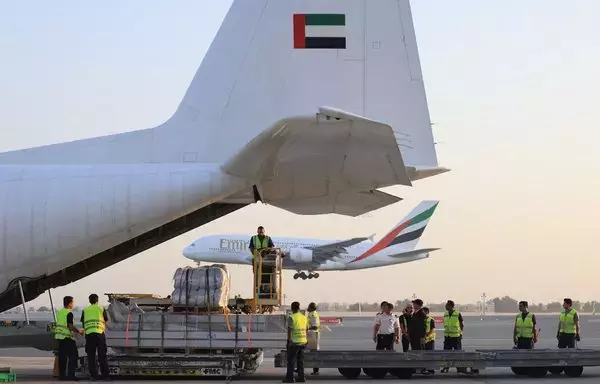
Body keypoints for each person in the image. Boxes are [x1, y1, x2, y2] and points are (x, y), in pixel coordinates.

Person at [81, 294, 110, 380]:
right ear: (97, 300)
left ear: (89, 301)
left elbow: (83, 323)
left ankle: (93, 375)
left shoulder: (85, 310)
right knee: (102, 356)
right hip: (100, 334)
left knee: (91, 356)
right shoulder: (101, 308)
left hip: (89, 335)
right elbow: (106, 320)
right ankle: (105, 376)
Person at [55, 295, 83, 381]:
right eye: (73, 302)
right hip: (67, 337)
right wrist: (79, 331)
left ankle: (62, 376)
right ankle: (71, 375)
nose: (73, 304)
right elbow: (70, 326)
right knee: (73, 356)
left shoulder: (60, 312)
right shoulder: (69, 313)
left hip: (59, 337)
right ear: (70, 303)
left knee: (62, 358)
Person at [284, 301, 308, 383]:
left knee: (291, 361)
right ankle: (301, 378)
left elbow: (289, 330)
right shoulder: (304, 317)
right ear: (299, 308)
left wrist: (288, 341)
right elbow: (306, 329)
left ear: (292, 308)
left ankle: (290, 379)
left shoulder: (292, 317)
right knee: (300, 361)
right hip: (303, 341)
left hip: (294, 342)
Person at [441, 300, 464, 373]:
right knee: (446, 353)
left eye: (446, 305)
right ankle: (446, 367)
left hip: (456, 337)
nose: (445, 306)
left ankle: (459, 368)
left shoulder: (457, 314)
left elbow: (462, 324)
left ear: (451, 306)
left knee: (458, 353)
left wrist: (461, 333)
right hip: (447, 337)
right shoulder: (445, 314)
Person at [306, 302, 321, 376]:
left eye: (309, 306)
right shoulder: (313, 313)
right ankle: (315, 370)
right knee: (313, 352)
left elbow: (315, 326)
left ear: (311, 307)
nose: (307, 308)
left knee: (314, 353)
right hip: (313, 334)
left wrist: (307, 328)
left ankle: (316, 371)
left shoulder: (313, 314)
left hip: (313, 335)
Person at [422, 307, 436, 375]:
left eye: (423, 312)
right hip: (423, 340)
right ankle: (424, 368)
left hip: (430, 340)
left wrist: (427, 335)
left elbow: (432, 329)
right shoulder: (421, 320)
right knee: (423, 355)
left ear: (427, 312)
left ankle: (431, 369)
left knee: (430, 355)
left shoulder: (431, 320)